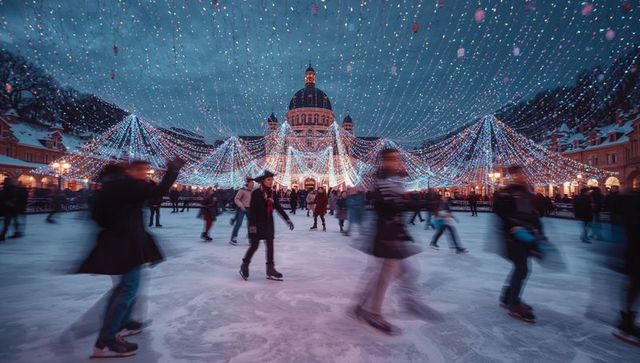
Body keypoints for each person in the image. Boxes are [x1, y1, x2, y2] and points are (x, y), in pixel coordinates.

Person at [78, 159, 183, 358]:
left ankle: (118, 329)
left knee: (124, 289)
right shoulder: (126, 187)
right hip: (125, 247)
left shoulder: (112, 187)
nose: (145, 173)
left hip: (120, 244)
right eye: (141, 170)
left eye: (146, 170)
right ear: (129, 171)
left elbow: (99, 216)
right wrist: (173, 170)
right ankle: (107, 339)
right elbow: (158, 192)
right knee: (127, 290)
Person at [353, 148, 429, 335]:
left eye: (397, 159)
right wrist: (416, 204)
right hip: (387, 231)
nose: (398, 162)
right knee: (388, 272)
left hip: (393, 230)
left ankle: (366, 305)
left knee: (398, 270)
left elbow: (395, 203)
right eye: (394, 159)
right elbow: (387, 204)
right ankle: (372, 311)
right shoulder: (383, 179)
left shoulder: (393, 178)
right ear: (386, 161)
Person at [493, 165, 546, 323]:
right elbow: (499, 211)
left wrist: (540, 233)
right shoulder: (507, 193)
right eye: (517, 174)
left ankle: (507, 297)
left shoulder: (526, 193)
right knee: (522, 268)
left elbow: (534, 215)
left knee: (520, 268)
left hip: (527, 236)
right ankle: (513, 303)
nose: (521, 176)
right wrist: (512, 225)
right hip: (513, 236)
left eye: (522, 174)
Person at [239, 171, 294, 281]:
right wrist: (252, 225)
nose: (271, 181)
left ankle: (270, 269)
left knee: (270, 245)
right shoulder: (256, 193)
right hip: (256, 223)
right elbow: (252, 211)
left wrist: (287, 219)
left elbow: (278, 207)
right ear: (263, 181)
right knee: (254, 246)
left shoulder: (272, 193)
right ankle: (244, 265)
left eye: (271, 179)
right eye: (268, 179)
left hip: (268, 223)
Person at [613, 188, 640, 346]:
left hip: (632, 253)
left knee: (634, 287)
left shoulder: (631, 200)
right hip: (635, 253)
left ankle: (626, 321)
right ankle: (626, 323)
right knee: (634, 286)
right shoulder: (634, 202)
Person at [230, 177, 253, 245]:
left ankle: (251, 238)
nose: (252, 184)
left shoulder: (252, 191)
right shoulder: (242, 190)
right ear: (248, 183)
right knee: (239, 223)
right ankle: (233, 237)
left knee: (251, 224)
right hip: (241, 209)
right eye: (251, 182)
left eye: (253, 183)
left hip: (250, 209)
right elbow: (236, 199)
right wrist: (241, 205)